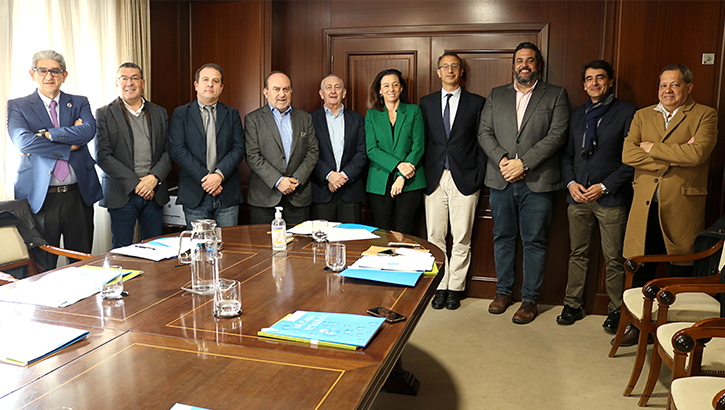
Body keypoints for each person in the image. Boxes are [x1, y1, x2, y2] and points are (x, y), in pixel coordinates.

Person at [619, 64, 718, 344]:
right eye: (663, 85)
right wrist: (677, 154)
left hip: (682, 206)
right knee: (641, 266)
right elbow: (628, 154)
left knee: (679, 268)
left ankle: (677, 331)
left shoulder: (705, 115)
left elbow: (698, 154)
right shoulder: (642, 115)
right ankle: (638, 328)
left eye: (674, 85)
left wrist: (651, 148)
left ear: (689, 87)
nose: (668, 91)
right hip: (645, 205)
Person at [478, 42, 569, 324]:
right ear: (513, 65)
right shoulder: (496, 95)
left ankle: (530, 300)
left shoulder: (555, 95)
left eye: (530, 60)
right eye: (519, 60)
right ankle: (503, 293)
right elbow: (484, 132)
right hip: (501, 178)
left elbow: (557, 135)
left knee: (535, 242)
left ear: (538, 65)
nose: (524, 65)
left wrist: (524, 163)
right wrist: (503, 160)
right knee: (502, 238)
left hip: (538, 181)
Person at [557, 60, 637, 333]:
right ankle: (572, 304)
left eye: (600, 78)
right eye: (589, 79)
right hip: (578, 196)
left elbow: (630, 162)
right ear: (583, 84)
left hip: (610, 199)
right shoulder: (577, 114)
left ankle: (617, 310)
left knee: (614, 257)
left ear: (610, 81)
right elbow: (567, 155)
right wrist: (570, 183)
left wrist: (604, 186)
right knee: (577, 253)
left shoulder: (627, 112)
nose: (594, 83)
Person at [7, 50, 102, 267]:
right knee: (43, 265)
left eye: (55, 71)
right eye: (43, 71)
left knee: (82, 262)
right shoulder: (18, 105)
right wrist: (70, 146)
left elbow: (88, 131)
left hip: (78, 196)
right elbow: (24, 142)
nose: (49, 76)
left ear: (64, 75)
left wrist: (48, 134)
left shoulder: (79, 102)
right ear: (33, 74)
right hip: (41, 199)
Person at [420, 52, 486, 310]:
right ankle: (440, 285)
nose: (449, 70)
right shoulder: (425, 103)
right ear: (438, 72)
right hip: (434, 178)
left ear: (461, 72)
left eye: (454, 67)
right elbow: (423, 141)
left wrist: (479, 175)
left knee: (461, 237)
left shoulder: (477, 103)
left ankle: (455, 288)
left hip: (466, 178)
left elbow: (482, 142)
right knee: (435, 235)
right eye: (444, 67)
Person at [96, 62, 172, 248]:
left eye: (135, 78)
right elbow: (102, 156)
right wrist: (136, 184)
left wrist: (154, 178)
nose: (129, 83)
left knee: (155, 248)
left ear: (143, 83)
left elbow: (169, 151)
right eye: (124, 78)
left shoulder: (159, 112)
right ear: (117, 83)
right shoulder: (104, 114)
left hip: (154, 191)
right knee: (122, 250)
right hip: (121, 193)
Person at [168, 63, 245, 229]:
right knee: (198, 249)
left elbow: (239, 148)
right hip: (195, 194)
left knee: (229, 248)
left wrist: (218, 176)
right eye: (205, 80)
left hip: (227, 193)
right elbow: (178, 150)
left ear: (221, 87)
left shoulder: (232, 114)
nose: (210, 84)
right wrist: (207, 179)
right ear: (196, 85)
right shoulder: (181, 114)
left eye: (215, 81)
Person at [245, 71, 319, 225]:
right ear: (266, 92)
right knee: (263, 248)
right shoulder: (253, 119)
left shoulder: (305, 118)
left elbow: (313, 152)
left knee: (299, 247)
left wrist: (296, 180)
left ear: (291, 91)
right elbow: (252, 155)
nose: (282, 94)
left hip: (298, 197)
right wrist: (278, 181)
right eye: (276, 89)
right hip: (265, 199)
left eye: (286, 89)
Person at [365, 69, 426, 235]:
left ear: (401, 88)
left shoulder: (414, 111)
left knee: (404, 232)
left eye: (394, 84)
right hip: (380, 181)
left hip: (410, 180)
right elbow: (371, 150)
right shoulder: (372, 114)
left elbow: (418, 146)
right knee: (382, 232)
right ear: (380, 90)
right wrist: (399, 166)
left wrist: (402, 176)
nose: (390, 89)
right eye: (386, 85)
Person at [310, 75, 367, 223]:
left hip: (351, 190)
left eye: (337, 87)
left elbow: (362, 152)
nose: (333, 91)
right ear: (321, 94)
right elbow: (308, 153)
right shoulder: (309, 119)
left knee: (351, 241)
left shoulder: (358, 119)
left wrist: (343, 176)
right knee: (322, 241)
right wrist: (329, 175)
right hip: (321, 191)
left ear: (344, 93)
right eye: (328, 88)